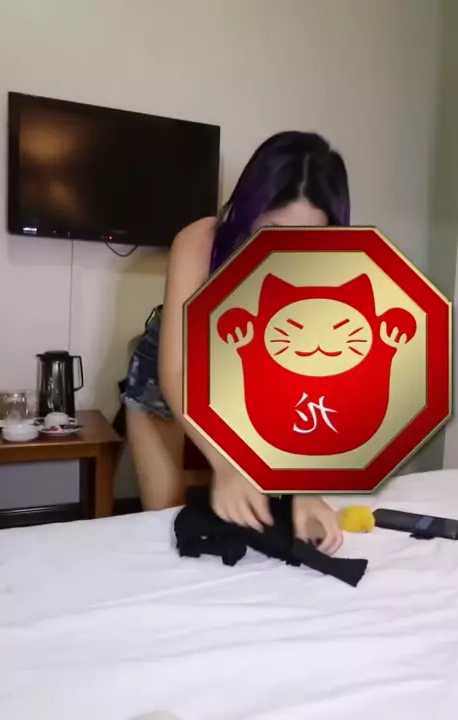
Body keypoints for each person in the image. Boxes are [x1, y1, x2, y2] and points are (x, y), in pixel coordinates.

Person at [121, 131, 350, 554]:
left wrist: (304, 487)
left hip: (250, 377)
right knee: (168, 518)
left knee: (269, 517)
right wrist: (227, 465)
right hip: (173, 373)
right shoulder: (200, 241)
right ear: (249, 211)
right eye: (272, 231)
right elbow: (177, 370)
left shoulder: (328, 265)